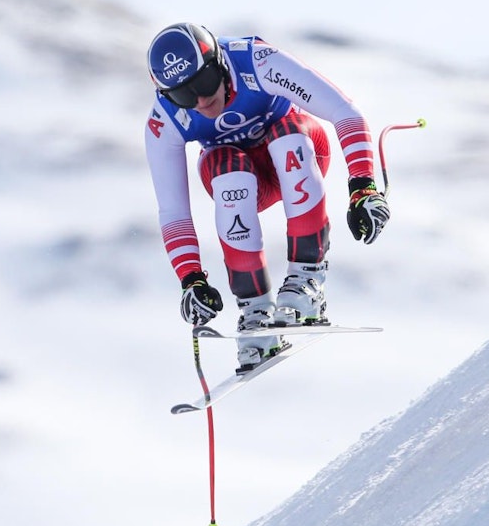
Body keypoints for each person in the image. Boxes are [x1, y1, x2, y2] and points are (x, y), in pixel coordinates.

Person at [144, 23, 390, 372]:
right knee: (224, 166)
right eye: (184, 95)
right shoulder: (165, 117)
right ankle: (255, 311)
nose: (200, 100)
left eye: (203, 84)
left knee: (286, 134)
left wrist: (363, 186)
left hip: (299, 152)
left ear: (219, 64)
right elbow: (173, 211)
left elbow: (346, 112)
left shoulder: (256, 61)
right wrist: (191, 279)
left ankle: (307, 281)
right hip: (245, 182)